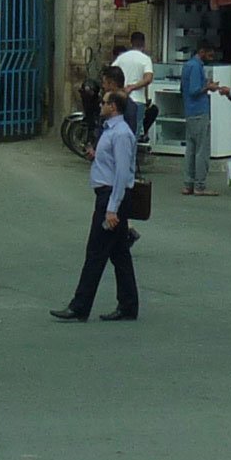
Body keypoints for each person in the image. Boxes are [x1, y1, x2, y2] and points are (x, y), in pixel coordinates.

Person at [55, 75, 141, 321]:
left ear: (113, 107)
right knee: (119, 254)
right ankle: (128, 304)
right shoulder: (110, 130)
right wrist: (96, 155)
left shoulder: (121, 134)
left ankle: (80, 305)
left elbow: (122, 173)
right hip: (107, 194)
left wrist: (112, 208)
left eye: (104, 102)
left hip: (111, 197)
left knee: (96, 252)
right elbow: (112, 163)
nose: (100, 105)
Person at [176, 41, 226, 197]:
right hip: (199, 111)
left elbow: (184, 88)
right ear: (202, 51)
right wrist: (209, 87)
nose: (211, 58)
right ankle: (200, 185)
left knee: (190, 150)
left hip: (189, 112)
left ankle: (188, 184)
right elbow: (194, 90)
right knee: (201, 151)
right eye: (210, 54)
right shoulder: (197, 66)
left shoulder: (188, 65)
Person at [112, 30, 156, 133]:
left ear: (130, 42)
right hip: (137, 100)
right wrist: (132, 87)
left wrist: (120, 89)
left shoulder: (121, 58)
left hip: (120, 99)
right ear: (144, 43)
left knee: (119, 130)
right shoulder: (145, 59)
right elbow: (148, 78)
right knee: (133, 133)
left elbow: (111, 74)